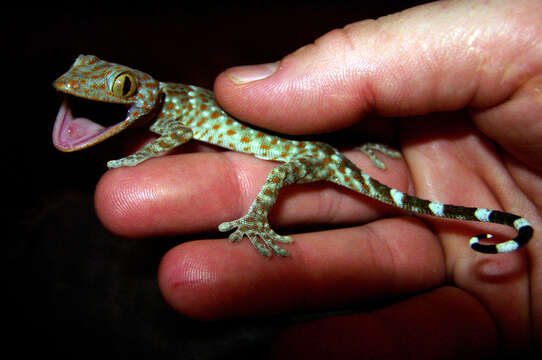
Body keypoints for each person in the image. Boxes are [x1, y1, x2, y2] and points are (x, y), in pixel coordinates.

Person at [94, 0, 541, 358]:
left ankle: (257, 218)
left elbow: (166, 139)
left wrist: (138, 160)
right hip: (324, 150)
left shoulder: (171, 113)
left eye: (122, 86)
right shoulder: (170, 101)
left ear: (144, 88)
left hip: (316, 158)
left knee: (281, 175)